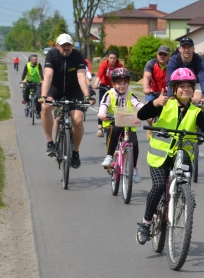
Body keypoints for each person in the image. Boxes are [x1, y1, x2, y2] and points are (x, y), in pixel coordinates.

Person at [134, 67, 204, 245]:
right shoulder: (165, 104)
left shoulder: (196, 112)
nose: (186, 89)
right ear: (174, 89)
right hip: (160, 157)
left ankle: (183, 195)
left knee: (183, 178)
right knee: (158, 186)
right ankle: (146, 223)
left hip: (182, 155)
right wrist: (156, 103)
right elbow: (141, 115)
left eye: (189, 86)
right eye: (181, 86)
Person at [39, 33, 93, 168]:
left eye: (69, 45)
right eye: (63, 46)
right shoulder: (51, 55)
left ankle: (75, 152)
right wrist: (44, 96)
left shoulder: (77, 55)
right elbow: (48, 76)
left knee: (78, 121)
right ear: (57, 46)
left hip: (74, 90)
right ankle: (50, 142)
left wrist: (87, 95)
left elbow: (81, 77)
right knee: (45, 108)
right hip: (55, 88)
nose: (66, 48)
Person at [98, 68, 143, 183]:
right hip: (112, 121)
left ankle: (133, 169)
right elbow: (104, 104)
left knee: (135, 145)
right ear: (113, 84)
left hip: (128, 123)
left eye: (124, 83)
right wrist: (102, 113)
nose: (122, 86)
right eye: (119, 83)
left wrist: (144, 110)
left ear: (128, 83)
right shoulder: (109, 94)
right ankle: (109, 156)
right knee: (116, 128)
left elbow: (137, 104)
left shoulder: (130, 94)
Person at [166, 37, 204, 105]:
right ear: (180, 49)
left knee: (197, 100)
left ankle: (198, 113)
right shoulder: (173, 61)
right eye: (184, 47)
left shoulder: (200, 61)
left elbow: (203, 80)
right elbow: (170, 81)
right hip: (178, 83)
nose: (186, 50)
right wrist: (170, 96)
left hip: (194, 83)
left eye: (189, 47)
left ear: (193, 49)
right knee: (174, 101)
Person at [142, 45, 170, 139]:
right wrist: (146, 88)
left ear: (168, 56)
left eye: (164, 54)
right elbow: (146, 77)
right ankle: (150, 127)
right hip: (152, 93)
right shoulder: (151, 63)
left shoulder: (172, 65)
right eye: (160, 54)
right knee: (148, 113)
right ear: (157, 54)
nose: (162, 56)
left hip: (167, 94)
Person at [93, 51, 123, 137]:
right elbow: (99, 75)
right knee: (102, 106)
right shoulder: (104, 65)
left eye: (114, 58)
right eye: (110, 58)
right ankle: (99, 128)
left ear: (116, 59)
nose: (112, 60)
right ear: (108, 58)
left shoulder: (120, 66)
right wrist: (96, 84)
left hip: (115, 88)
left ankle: (119, 124)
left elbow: (123, 76)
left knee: (118, 105)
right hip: (104, 86)